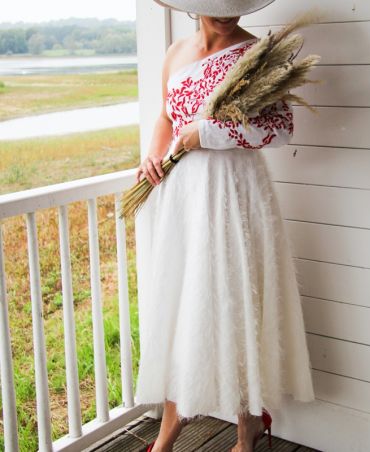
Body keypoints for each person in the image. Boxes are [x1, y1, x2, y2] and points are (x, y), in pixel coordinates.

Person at [134, 1, 316, 450]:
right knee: (183, 306)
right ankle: (169, 429)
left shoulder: (259, 54)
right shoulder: (175, 51)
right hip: (183, 198)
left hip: (235, 196)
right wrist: (152, 156)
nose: (227, 12)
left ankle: (246, 428)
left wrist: (206, 134)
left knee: (238, 303)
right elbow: (165, 115)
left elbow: (280, 128)